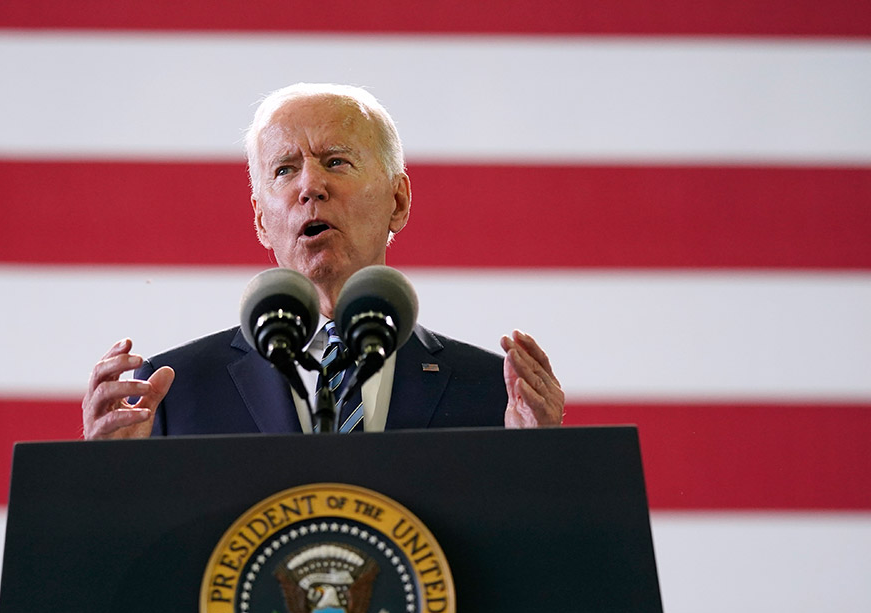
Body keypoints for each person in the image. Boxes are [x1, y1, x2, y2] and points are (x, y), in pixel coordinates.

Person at [83, 83, 563, 440]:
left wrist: (540, 465)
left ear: (398, 201)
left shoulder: (492, 394)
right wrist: (111, 482)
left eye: (335, 161)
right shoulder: (173, 394)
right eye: (284, 169)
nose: (309, 186)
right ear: (260, 220)